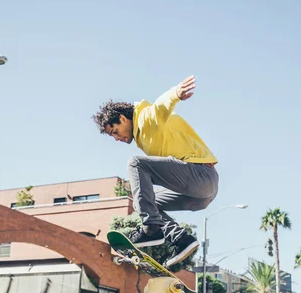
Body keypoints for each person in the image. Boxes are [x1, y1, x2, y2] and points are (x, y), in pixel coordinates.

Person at [92, 76, 219, 267]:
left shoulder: (144, 118)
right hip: (199, 194)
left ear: (123, 118)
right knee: (143, 202)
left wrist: (175, 93)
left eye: (115, 132)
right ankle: (181, 239)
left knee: (135, 164)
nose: (117, 139)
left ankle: (151, 229)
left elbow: (159, 108)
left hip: (201, 175)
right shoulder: (142, 136)